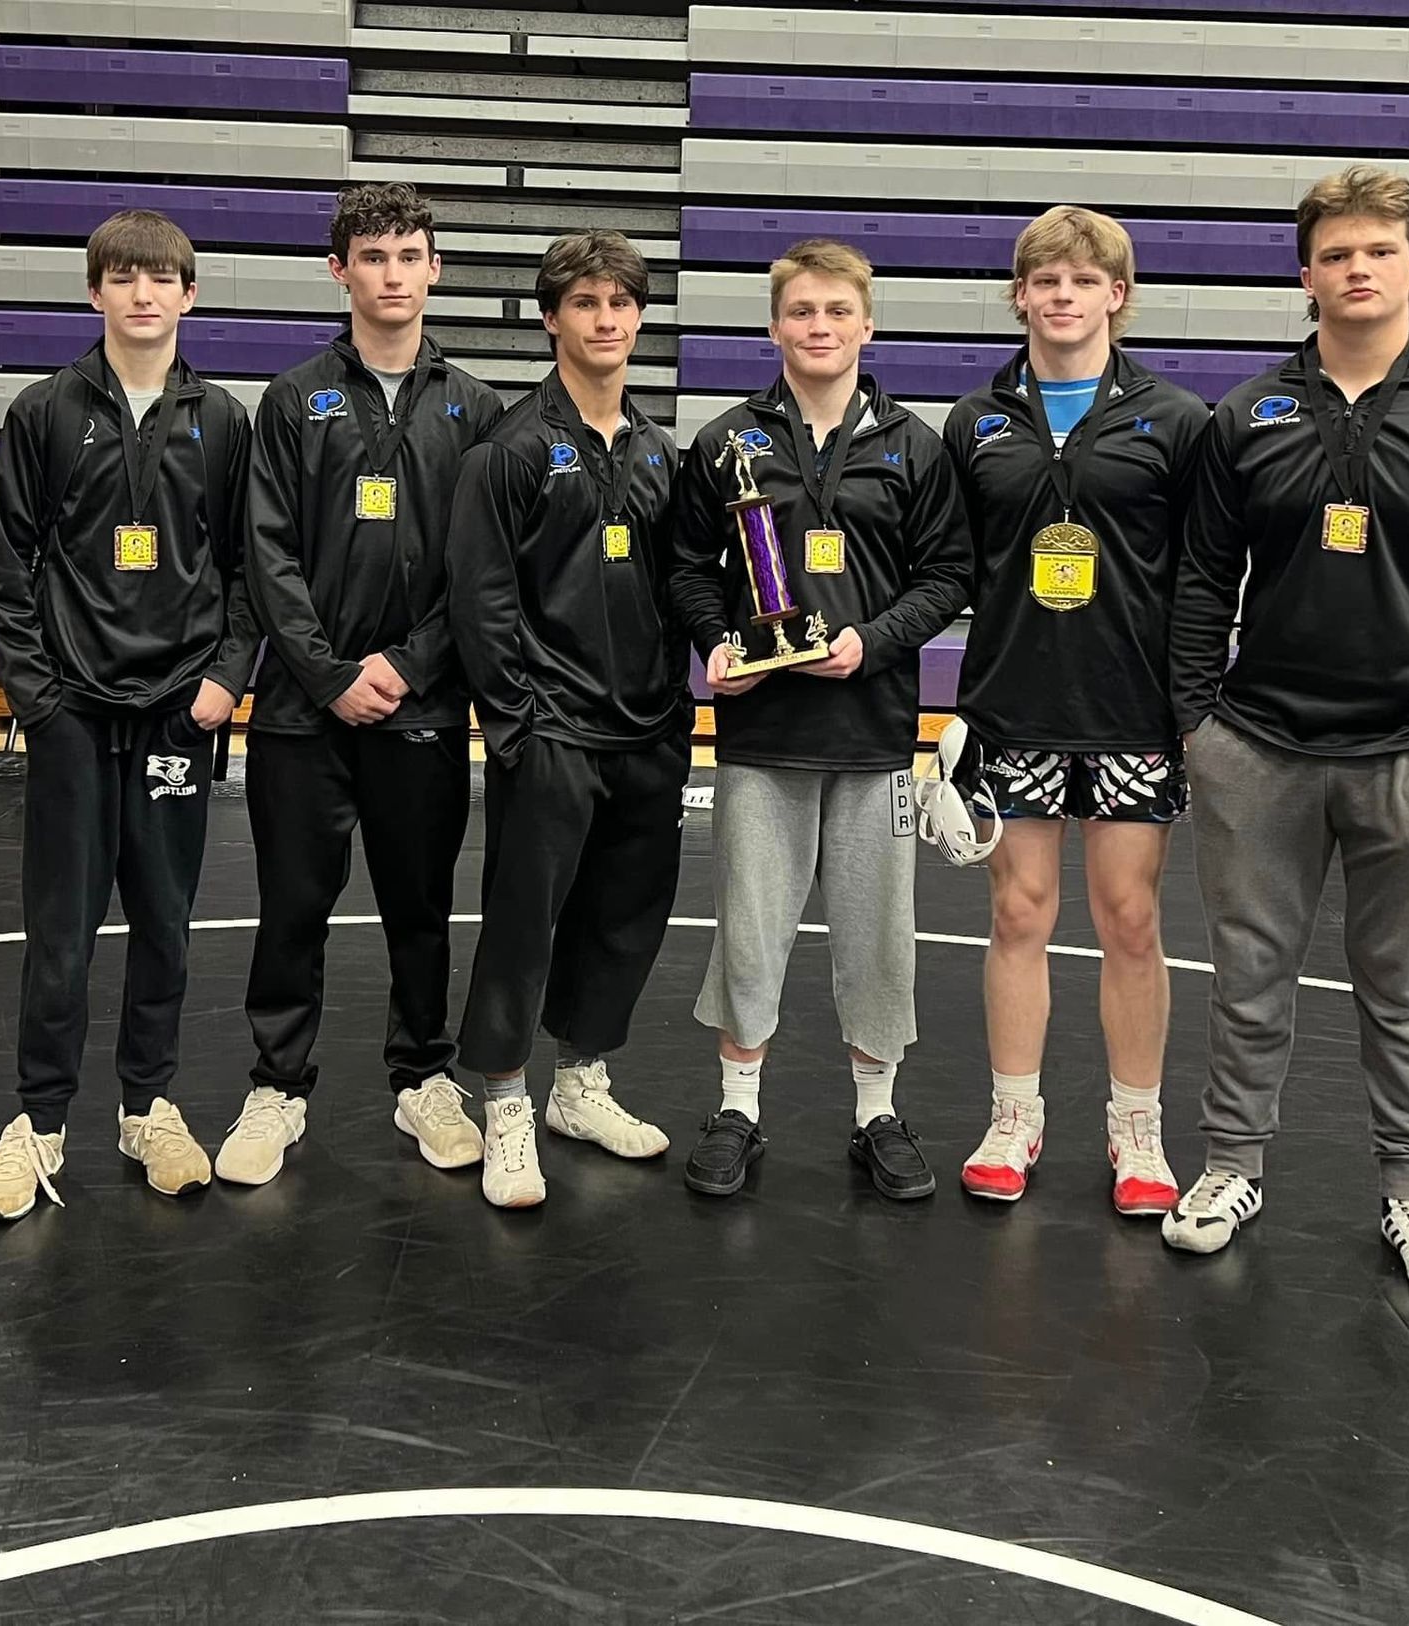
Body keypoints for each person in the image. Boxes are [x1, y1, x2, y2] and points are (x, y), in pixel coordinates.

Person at [1166, 166, 1409, 1299]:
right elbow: (1198, 584)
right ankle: (1232, 1165)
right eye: (1337, 254)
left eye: (1380, 250)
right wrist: (1199, 727)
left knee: (1406, 987)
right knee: (1249, 975)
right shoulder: (1251, 417)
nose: (1358, 268)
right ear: (1307, 276)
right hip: (1261, 755)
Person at [669, 238, 974, 1201]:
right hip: (763, 733)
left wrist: (874, 643)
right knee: (750, 929)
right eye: (801, 311)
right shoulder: (726, 443)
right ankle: (737, 1108)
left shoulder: (912, 447)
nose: (819, 327)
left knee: (878, 935)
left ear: (866, 324)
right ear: (775, 325)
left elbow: (949, 575)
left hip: (874, 733)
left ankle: (875, 1113)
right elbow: (683, 566)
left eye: (838, 311)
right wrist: (719, 644)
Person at [0, 209, 256, 1219]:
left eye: (161, 277)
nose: (143, 293)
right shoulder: (45, 411)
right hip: (75, 720)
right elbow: (9, 569)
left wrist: (222, 685)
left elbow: (248, 569)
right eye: (123, 277)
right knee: (62, 933)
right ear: (94, 293)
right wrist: (39, 703)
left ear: (189, 293)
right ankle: (38, 1124)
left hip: (180, 718)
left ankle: (149, 1106)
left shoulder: (222, 420)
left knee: (167, 926)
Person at [214, 182, 504, 1187]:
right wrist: (331, 674)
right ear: (338, 270)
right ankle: (277, 1087)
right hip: (304, 709)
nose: (390, 274)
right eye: (371, 257)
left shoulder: (475, 406)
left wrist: (409, 664)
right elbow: (267, 555)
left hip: (421, 705)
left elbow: (481, 567)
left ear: (436, 268)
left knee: (419, 908)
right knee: (292, 905)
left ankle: (423, 1077)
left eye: (407, 255)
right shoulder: (295, 400)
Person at [942, 206, 1207, 1212]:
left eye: (1083, 280)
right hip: (1014, 706)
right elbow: (947, 568)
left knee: (1131, 919)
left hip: (1132, 709)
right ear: (1020, 295)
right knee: (1018, 913)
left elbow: (1202, 576)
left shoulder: (1176, 421)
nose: (1062, 295)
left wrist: (1191, 705)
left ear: (1117, 295)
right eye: (1044, 279)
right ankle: (1016, 1118)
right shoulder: (977, 422)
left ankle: (1137, 1130)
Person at [447, 230, 690, 1209]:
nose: (606, 320)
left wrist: (677, 714)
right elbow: (481, 598)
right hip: (550, 733)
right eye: (586, 303)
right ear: (552, 319)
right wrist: (517, 726)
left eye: (621, 303)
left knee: (623, 918)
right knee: (523, 924)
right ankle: (505, 1102)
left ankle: (580, 1085)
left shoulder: (663, 453)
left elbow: (683, 590)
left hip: (648, 731)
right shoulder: (507, 449)